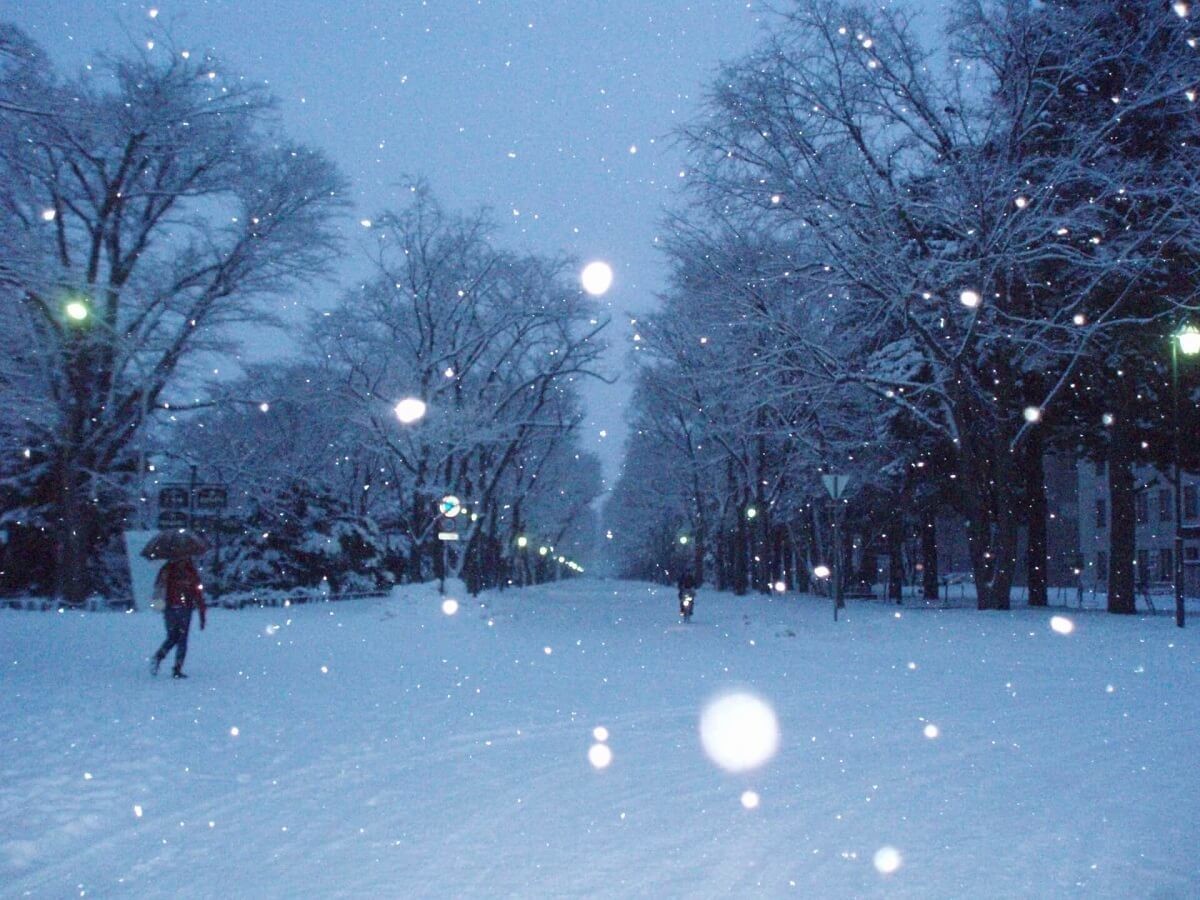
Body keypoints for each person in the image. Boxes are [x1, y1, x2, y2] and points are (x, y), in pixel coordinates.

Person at [150, 555, 206, 679]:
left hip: (169, 608)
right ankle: (177, 668)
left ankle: (159, 656)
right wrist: (202, 615)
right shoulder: (190, 572)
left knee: (172, 637)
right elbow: (198, 594)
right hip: (184, 608)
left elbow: (158, 586)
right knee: (182, 639)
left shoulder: (167, 569)